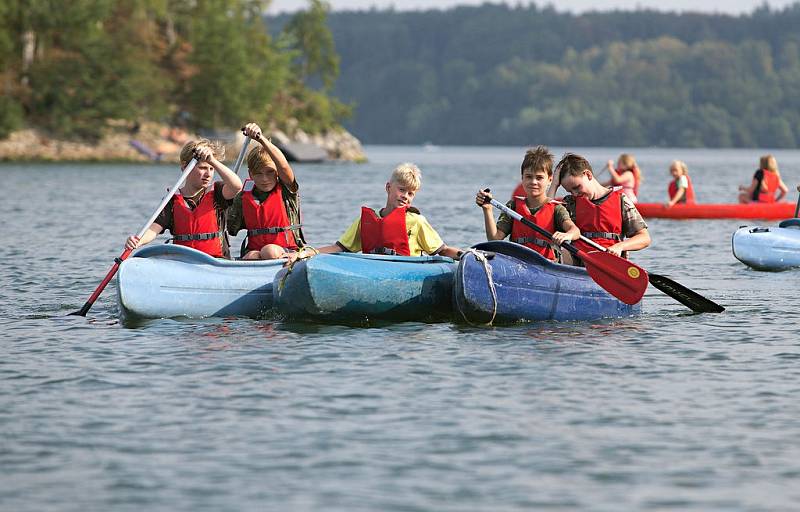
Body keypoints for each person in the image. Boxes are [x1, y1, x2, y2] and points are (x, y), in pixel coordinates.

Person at [285, 162, 462, 264]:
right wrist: (305, 253)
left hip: (406, 272)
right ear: (388, 187)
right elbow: (338, 248)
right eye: (402, 190)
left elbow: (443, 250)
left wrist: (466, 255)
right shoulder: (366, 221)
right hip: (372, 272)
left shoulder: (416, 221)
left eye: (410, 193)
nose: (405, 197)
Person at [125, 139, 243, 258]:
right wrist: (138, 241)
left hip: (215, 261)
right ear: (185, 168)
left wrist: (212, 160)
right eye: (202, 168)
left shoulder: (218, 193)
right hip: (184, 262)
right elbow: (153, 229)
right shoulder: (171, 200)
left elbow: (237, 186)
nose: (208, 174)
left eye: (211, 168)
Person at [476, 145, 579, 261]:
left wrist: (567, 235)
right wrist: (487, 209)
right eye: (528, 177)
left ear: (550, 180)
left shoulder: (557, 209)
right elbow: (494, 239)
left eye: (539, 178)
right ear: (522, 178)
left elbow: (575, 231)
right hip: (517, 264)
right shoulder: (513, 206)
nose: (533, 182)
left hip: (547, 267)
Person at [226, 122, 305, 259]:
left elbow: (284, 166)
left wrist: (260, 139)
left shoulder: (287, 189)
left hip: (288, 252)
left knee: (270, 251)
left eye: (269, 172)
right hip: (254, 253)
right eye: (259, 174)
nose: (265, 179)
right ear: (251, 175)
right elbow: (231, 229)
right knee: (251, 256)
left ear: (277, 173)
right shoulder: (242, 197)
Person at [554, 153, 650, 259]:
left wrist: (620, 246)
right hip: (579, 263)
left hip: (611, 262)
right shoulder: (571, 202)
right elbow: (545, 221)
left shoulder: (621, 200)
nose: (575, 193)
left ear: (588, 175)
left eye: (576, 187)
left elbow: (644, 238)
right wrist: (554, 185)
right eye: (570, 191)